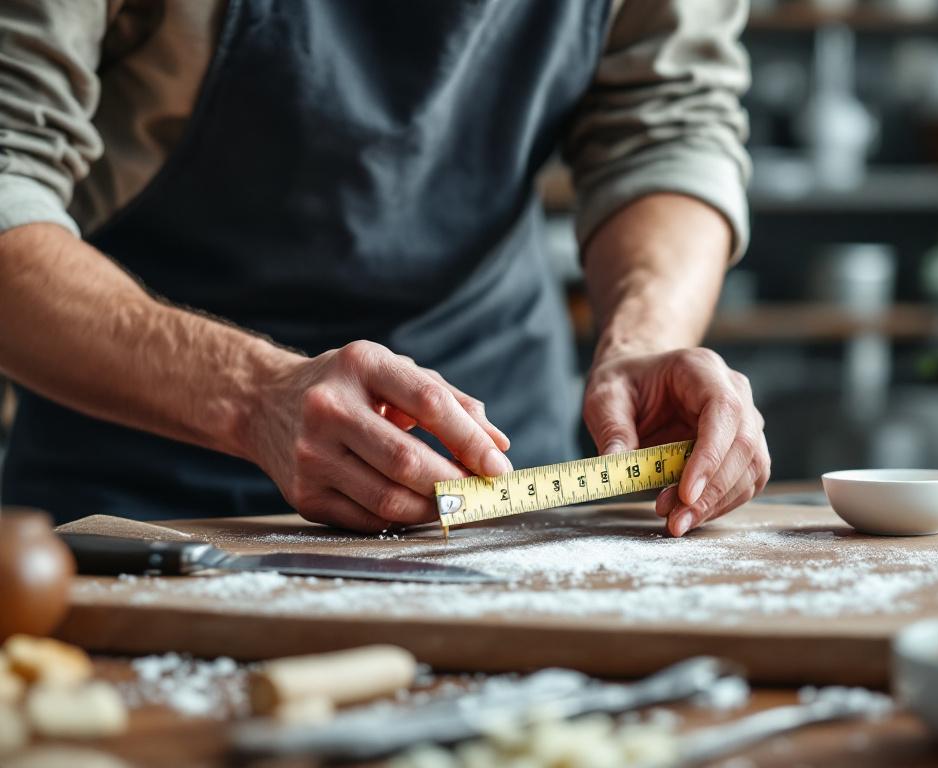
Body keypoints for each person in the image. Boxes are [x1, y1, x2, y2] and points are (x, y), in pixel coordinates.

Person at [0, 0, 769, 536]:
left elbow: (667, 122)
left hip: (491, 448)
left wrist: (645, 336)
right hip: (135, 466)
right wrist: (254, 397)